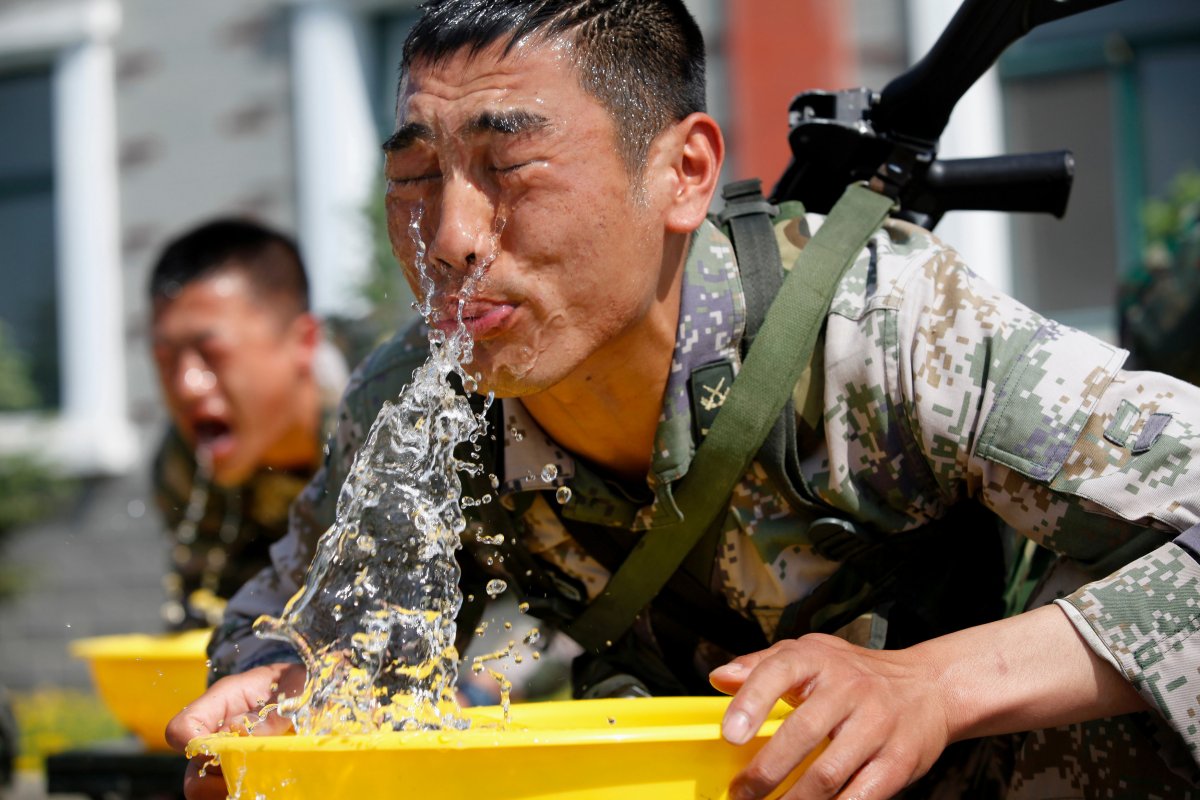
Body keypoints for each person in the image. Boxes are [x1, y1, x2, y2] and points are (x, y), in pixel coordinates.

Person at [167, 2, 1200, 798]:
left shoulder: (877, 330)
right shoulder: (421, 397)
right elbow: (297, 623)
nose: (451, 237)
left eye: (508, 166)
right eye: (416, 177)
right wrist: (276, 683)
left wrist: (935, 683)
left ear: (683, 172)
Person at [149, 219, 347, 629]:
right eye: (166, 360)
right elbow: (206, 612)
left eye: (212, 354)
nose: (187, 386)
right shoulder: (183, 465)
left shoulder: (398, 423)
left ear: (303, 343)